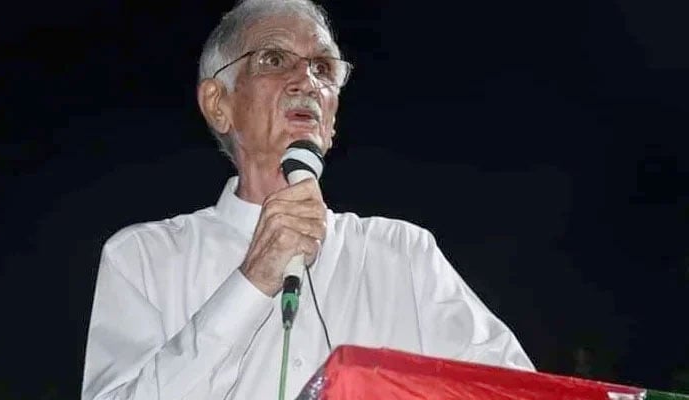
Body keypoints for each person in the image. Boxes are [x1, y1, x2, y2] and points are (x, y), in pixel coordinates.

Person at [81, 0, 535, 399]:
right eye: (274, 59)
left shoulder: (403, 253)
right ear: (219, 103)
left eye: (323, 68)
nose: (306, 81)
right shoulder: (143, 257)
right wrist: (251, 281)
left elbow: (516, 391)